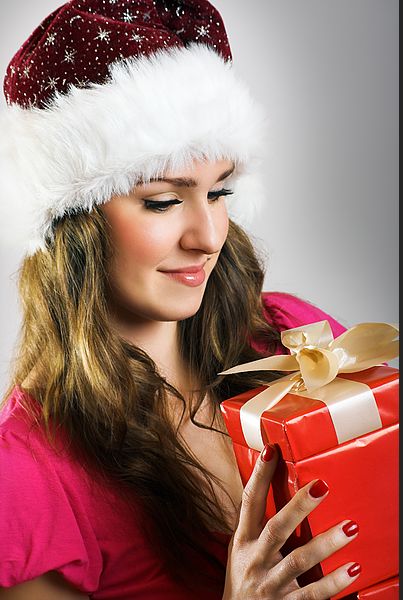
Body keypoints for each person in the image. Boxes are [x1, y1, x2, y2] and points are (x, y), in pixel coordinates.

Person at [0, 1, 362, 598]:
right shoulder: (29, 479)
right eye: (164, 201)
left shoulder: (294, 337)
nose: (209, 236)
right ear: (71, 223)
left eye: (220, 191)